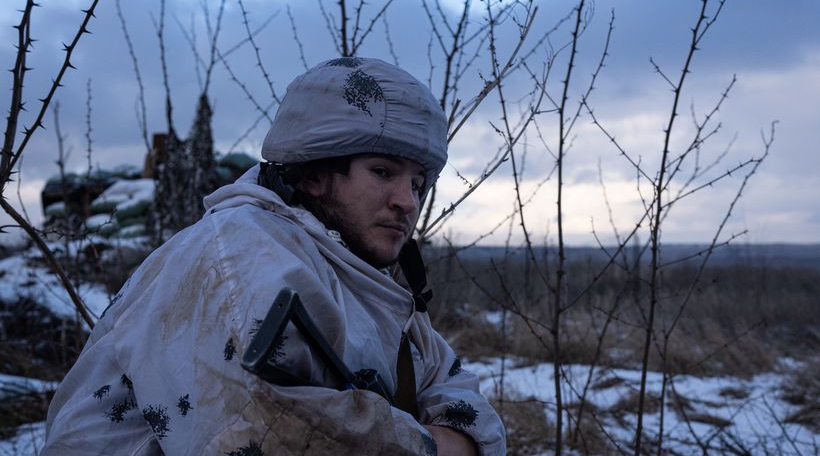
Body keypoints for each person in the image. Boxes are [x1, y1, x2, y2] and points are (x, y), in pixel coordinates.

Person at [43, 58, 507, 455]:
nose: (407, 201)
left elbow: (457, 391)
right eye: (383, 172)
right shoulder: (241, 260)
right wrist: (433, 444)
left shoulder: (364, 279)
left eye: (417, 184)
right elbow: (273, 431)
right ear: (313, 175)